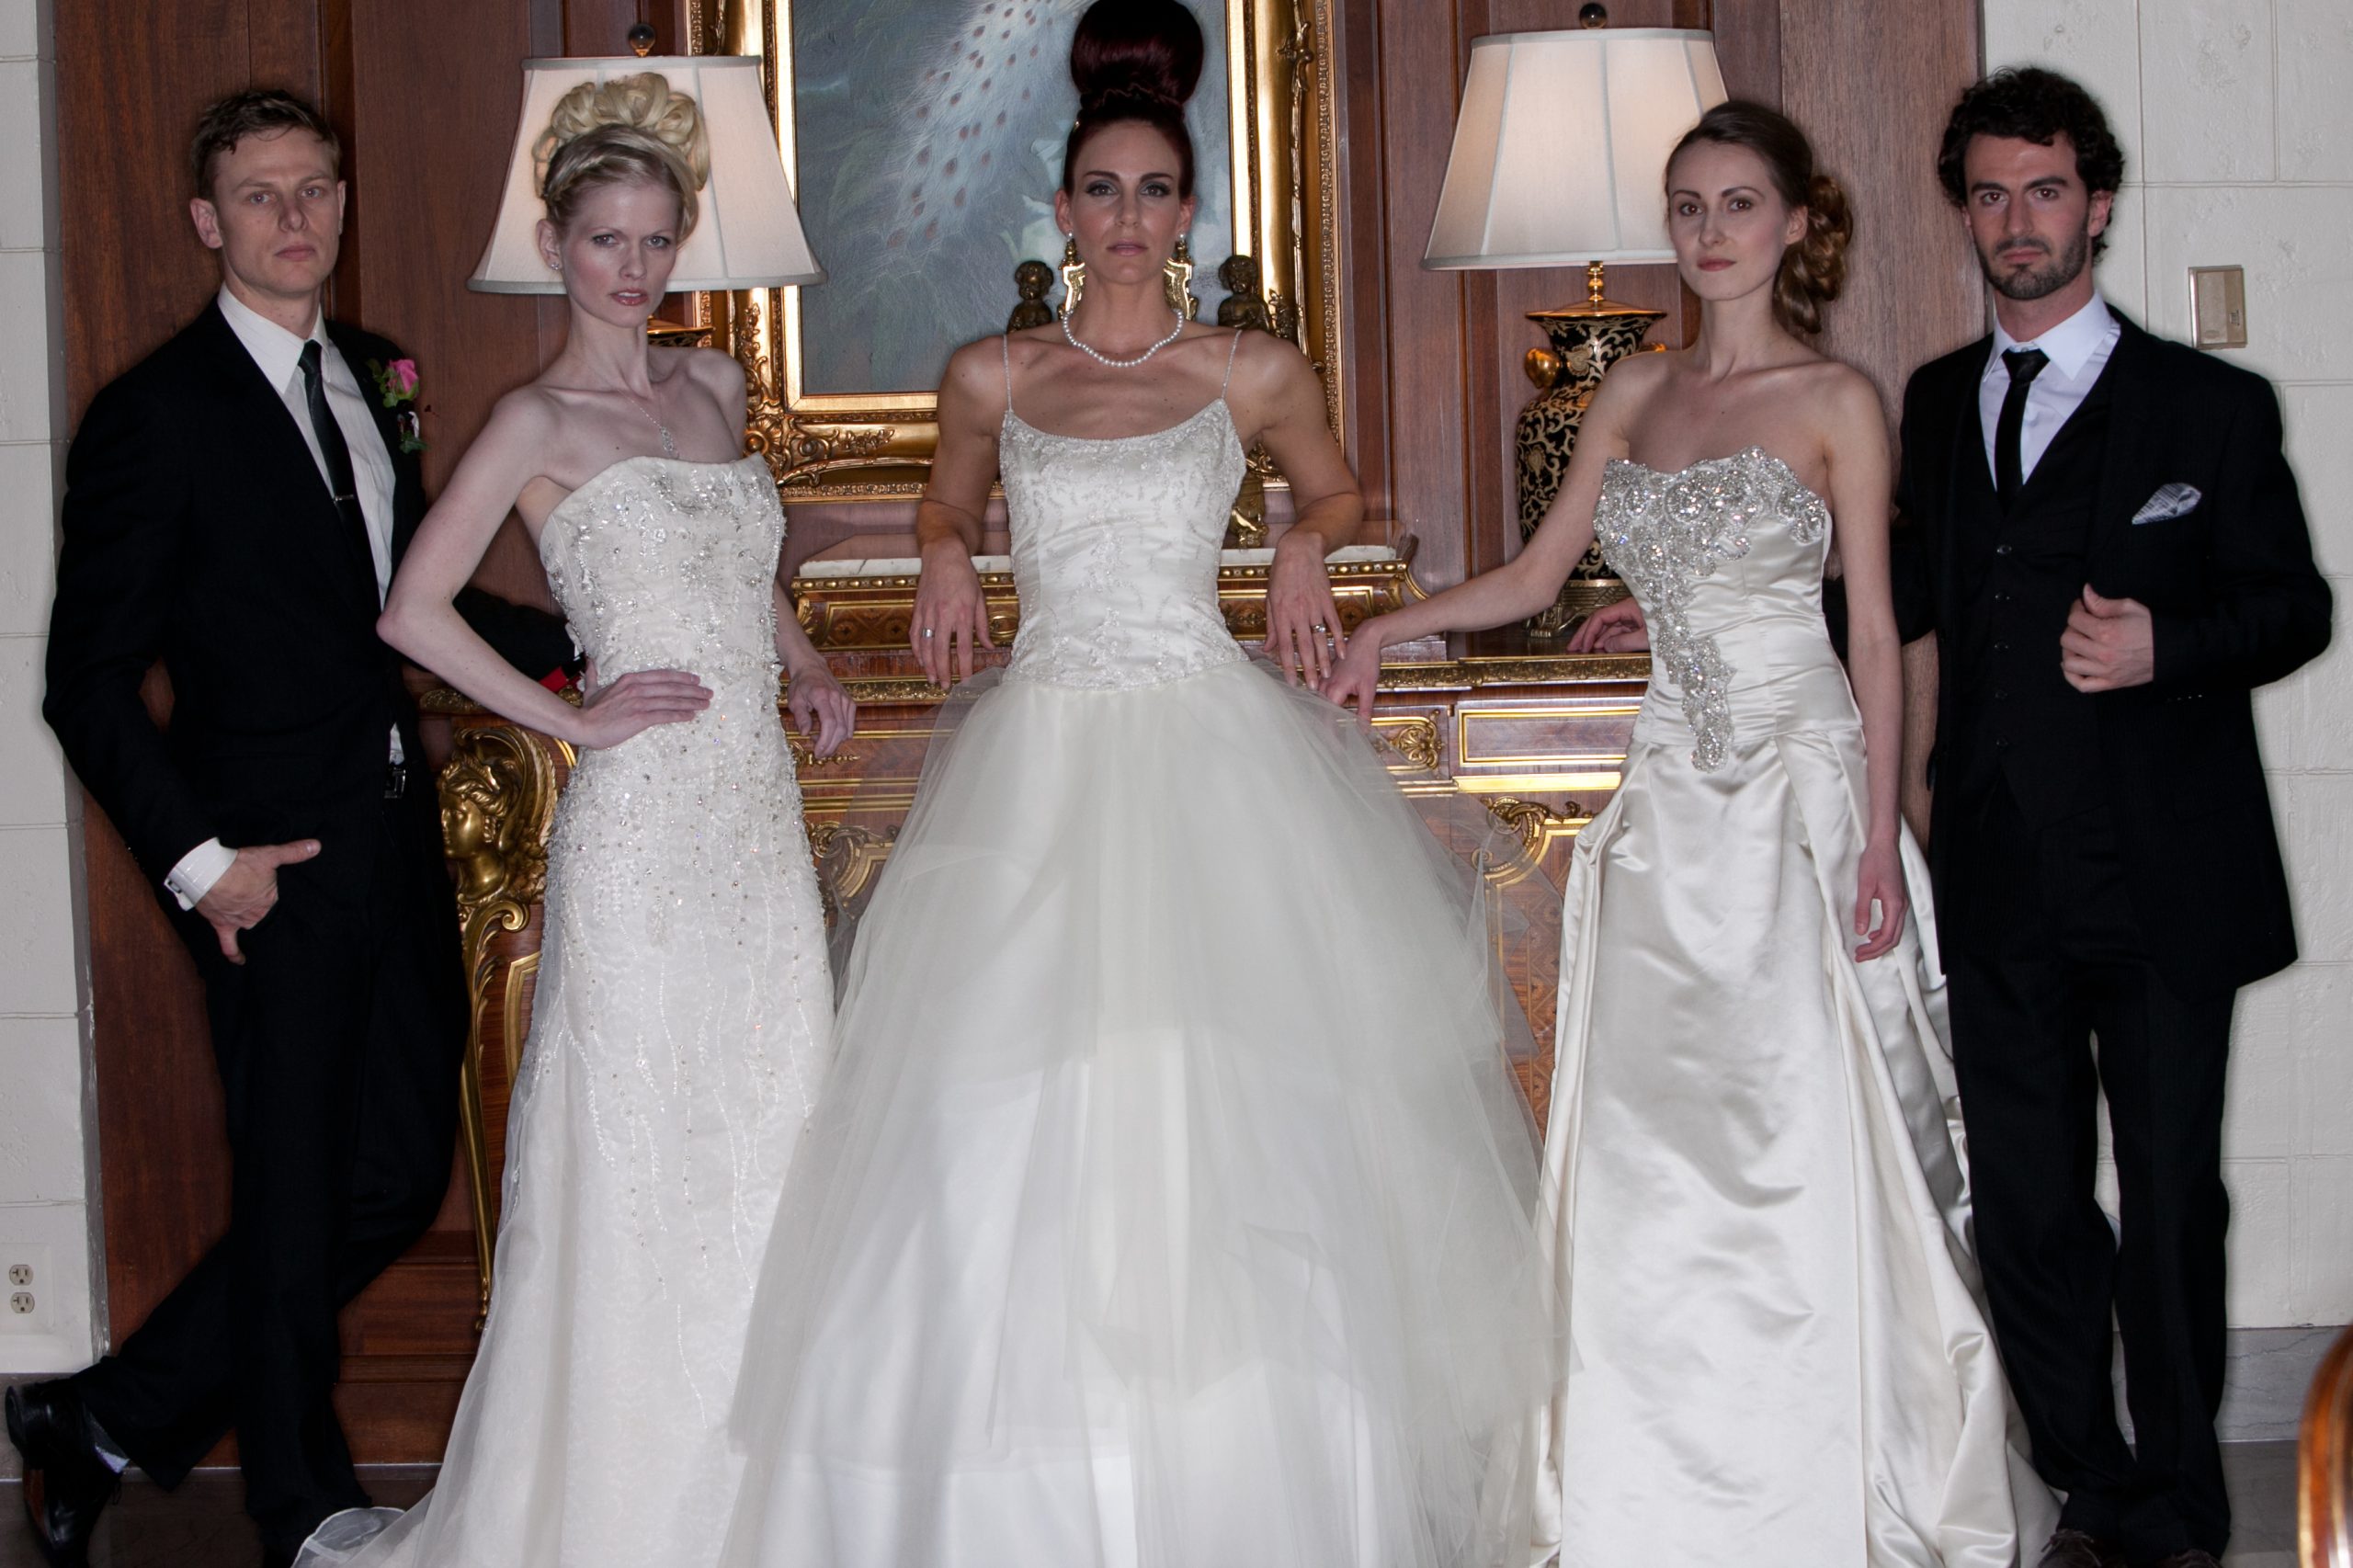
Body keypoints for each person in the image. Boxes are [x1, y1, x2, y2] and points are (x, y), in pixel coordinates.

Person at [718, 6, 1553, 1565]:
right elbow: (947, 501)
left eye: (1153, 191)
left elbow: (1337, 490)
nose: (1125, 216)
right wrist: (948, 554)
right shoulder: (993, 372)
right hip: (1040, 750)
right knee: (997, 1096)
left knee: (1225, 1088)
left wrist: (1302, 546)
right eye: (1100, 190)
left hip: (1203, 743)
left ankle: (1248, 1483)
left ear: (1187, 212)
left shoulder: (1249, 368)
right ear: (1061, 206)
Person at [1328, 101, 2054, 1564]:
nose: (1710, 233)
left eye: (1738, 204)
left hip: (1800, 798)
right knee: (1657, 1150)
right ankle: (1654, 1484)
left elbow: (1871, 636)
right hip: (1670, 804)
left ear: (1796, 224)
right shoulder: (1635, 391)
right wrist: (1391, 625)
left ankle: (1846, 1474)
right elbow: (1535, 575)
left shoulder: (1838, 400)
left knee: (1807, 1130)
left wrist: (1875, 838)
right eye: (1688, 206)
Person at [288, 74, 854, 1568]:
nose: (636, 267)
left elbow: (743, 574)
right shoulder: (532, 420)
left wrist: (801, 663)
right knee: (640, 1159)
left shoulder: (715, 387)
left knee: (774, 1131)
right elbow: (410, 609)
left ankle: (768, 1503)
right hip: (643, 835)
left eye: (658, 239)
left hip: (753, 828)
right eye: (608, 239)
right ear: (555, 244)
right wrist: (575, 716)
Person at [12, 87, 561, 1568]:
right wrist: (204, 869)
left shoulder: (370, 376)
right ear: (210, 220)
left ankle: (101, 1414)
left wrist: (589, 646)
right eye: (261, 195)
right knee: (298, 1183)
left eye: (314, 188)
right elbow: (84, 682)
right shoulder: (154, 415)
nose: (295, 217)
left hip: (394, 840)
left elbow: (409, 595)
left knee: (391, 1173)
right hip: (266, 869)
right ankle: (299, 1505)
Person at [1897, 70, 2330, 1568]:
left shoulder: (2209, 407)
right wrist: (1692, 605)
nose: (2017, 220)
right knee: (2025, 1206)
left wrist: (2167, 645)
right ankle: (2085, 1484)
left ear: (2098, 204)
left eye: (2046, 190)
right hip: (1997, 869)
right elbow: (1900, 590)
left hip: (2163, 879)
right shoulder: (1937, 402)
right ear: (1967, 213)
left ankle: (2183, 1502)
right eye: (1991, 194)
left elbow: (2295, 606)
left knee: (2168, 1202)